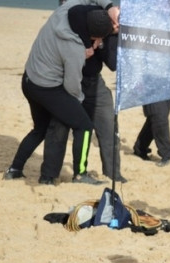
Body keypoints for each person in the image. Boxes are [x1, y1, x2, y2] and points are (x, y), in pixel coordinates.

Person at [3, 0, 118, 185]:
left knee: (39, 130)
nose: (98, 44)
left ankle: (15, 169)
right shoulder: (74, 49)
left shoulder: (64, 11)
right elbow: (72, 87)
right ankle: (80, 174)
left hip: (29, 80)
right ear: (93, 36)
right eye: (98, 40)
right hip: (47, 88)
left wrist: (109, 6)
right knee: (84, 126)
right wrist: (77, 106)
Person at [44, 2, 124, 184]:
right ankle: (48, 176)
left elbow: (112, 64)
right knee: (59, 128)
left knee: (109, 127)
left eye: (120, 24)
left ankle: (114, 175)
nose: (116, 26)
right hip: (66, 81)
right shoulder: (83, 14)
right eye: (116, 21)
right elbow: (74, 14)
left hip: (94, 82)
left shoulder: (109, 29)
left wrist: (105, 40)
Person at [132, 99, 170, 167]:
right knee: (159, 116)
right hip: (151, 90)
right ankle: (166, 152)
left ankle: (140, 148)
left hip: (167, 90)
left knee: (155, 117)